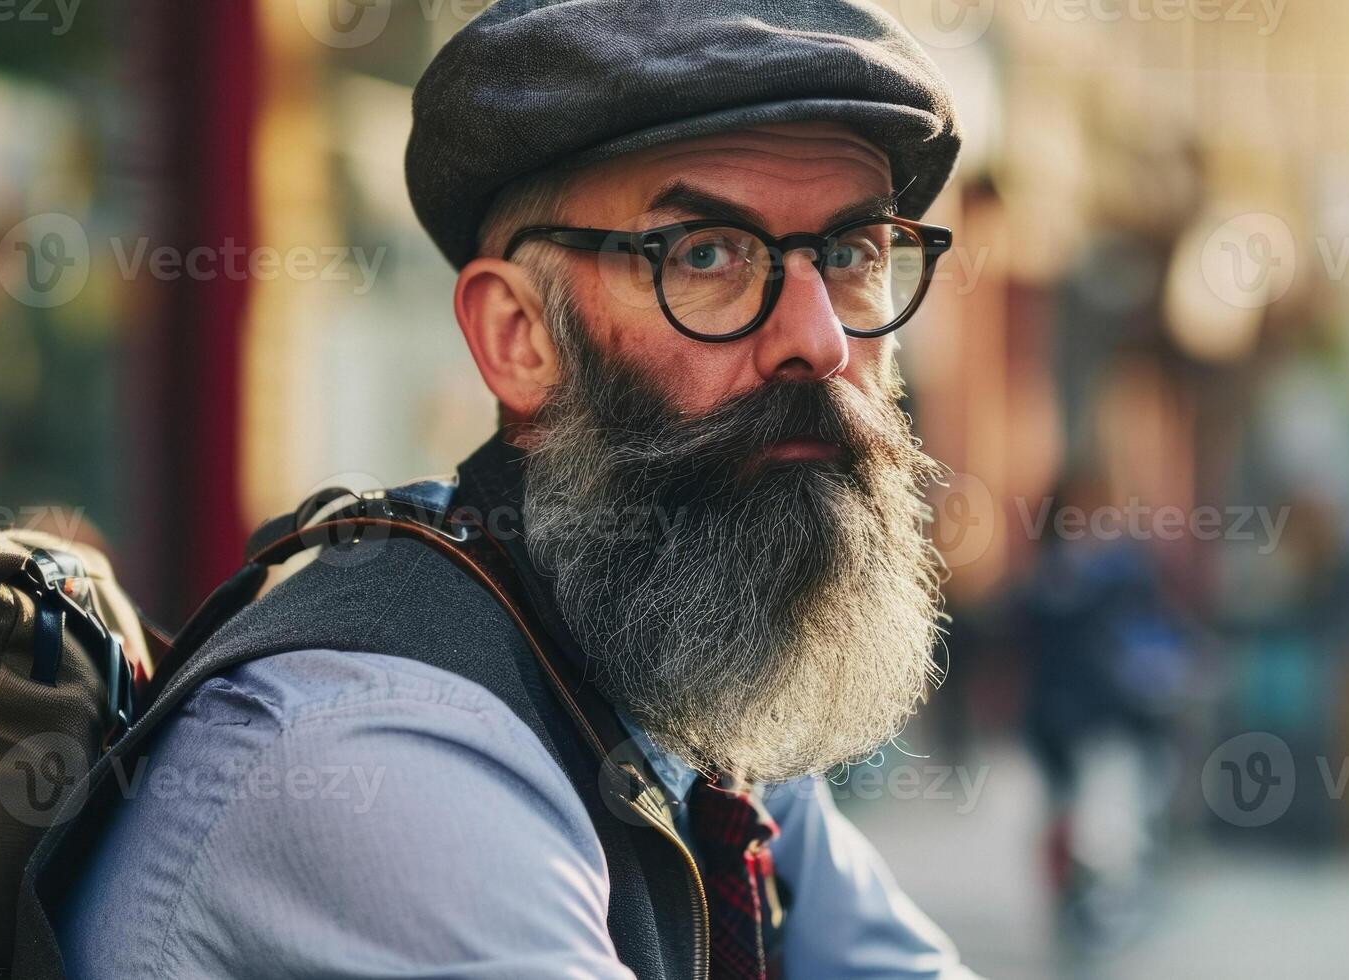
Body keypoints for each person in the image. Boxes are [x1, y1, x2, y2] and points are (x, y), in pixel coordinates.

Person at [54, 2, 976, 977]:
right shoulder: (381, 751)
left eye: (852, 254)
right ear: (518, 335)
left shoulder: (690, 660)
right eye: (705, 252)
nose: (820, 339)